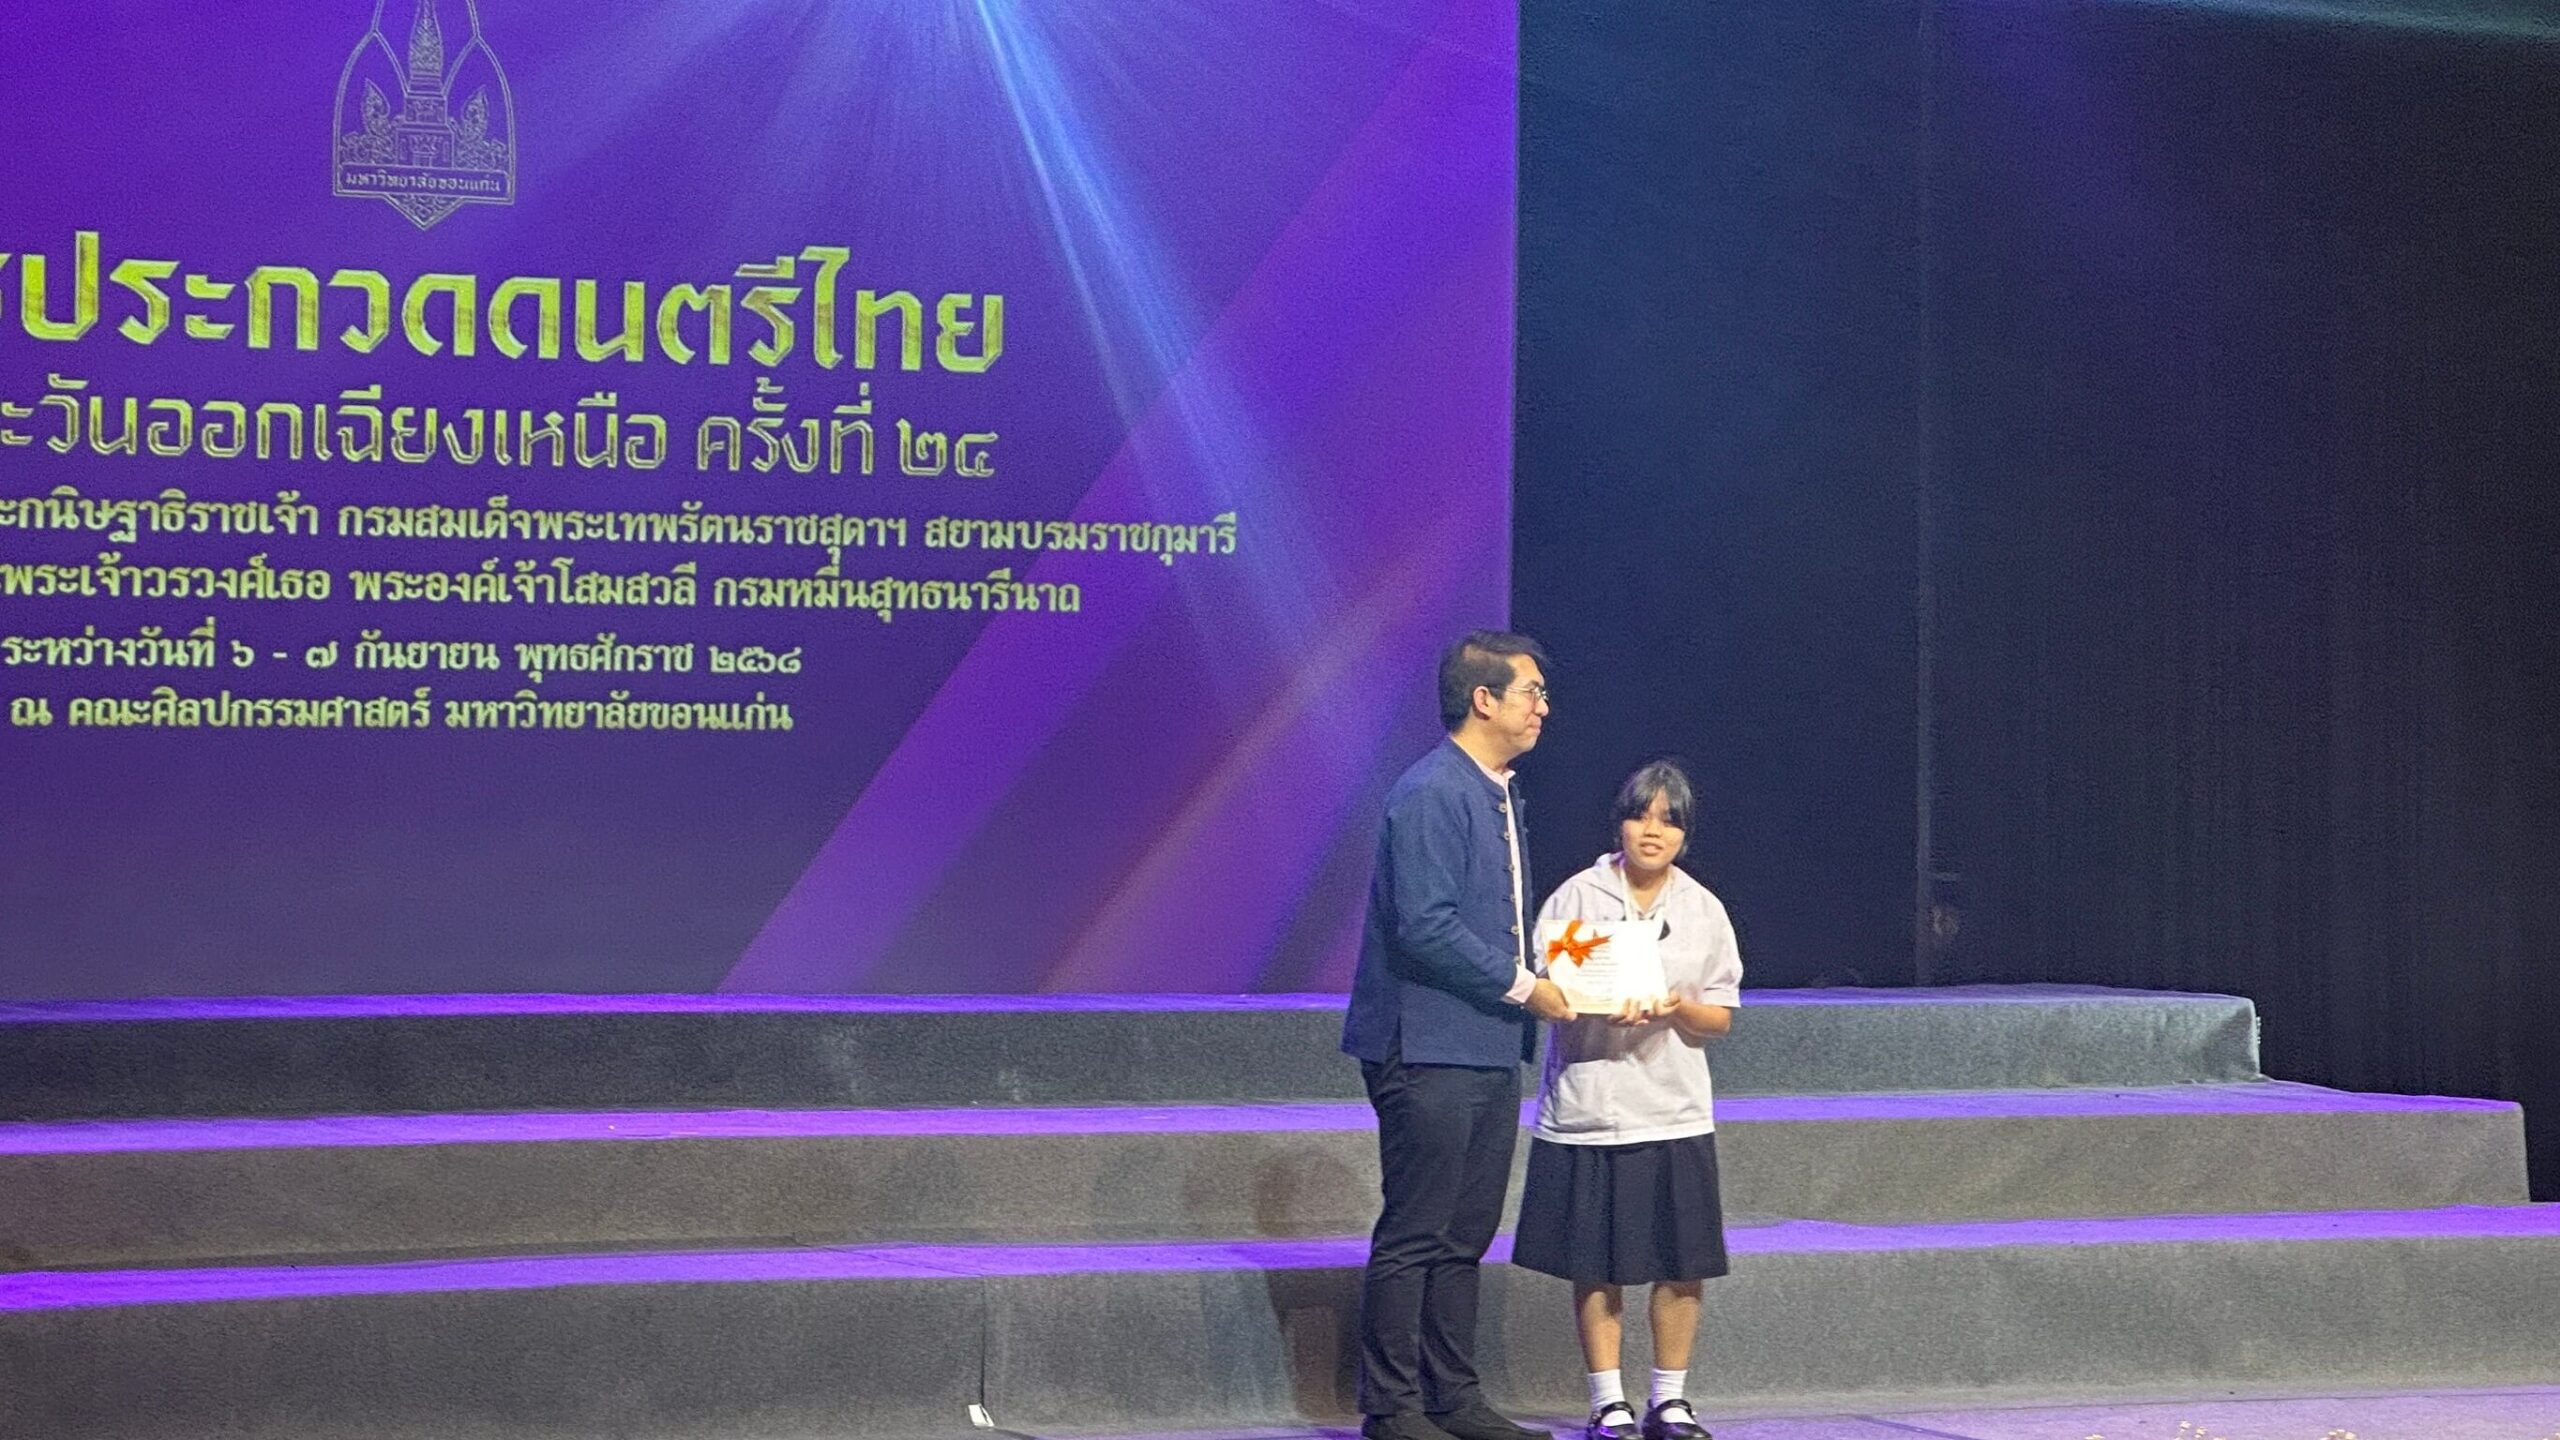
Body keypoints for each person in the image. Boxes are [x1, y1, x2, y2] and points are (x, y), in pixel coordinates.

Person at [1342, 631, 1577, 1440]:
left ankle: (1453, 1397)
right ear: (1484, 699)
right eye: (1531, 693)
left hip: (1484, 1044)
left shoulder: (1498, 791)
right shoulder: (1432, 790)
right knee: (1417, 1229)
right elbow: (1427, 927)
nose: (1543, 708)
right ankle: (1393, 1407)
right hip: (1426, 1046)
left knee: (1465, 1232)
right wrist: (1528, 987)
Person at [1512, 760, 1741, 1440]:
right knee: (1596, 1263)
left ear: (1685, 834)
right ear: (1620, 823)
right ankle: (1608, 1403)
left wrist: (1676, 1008)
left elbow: (1720, 1016)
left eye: (1669, 821)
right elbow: (1545, 992)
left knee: (1682, 1263)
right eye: (1641, 815)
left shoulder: (1703, 908)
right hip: (1592, 1108)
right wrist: (1586, 1002)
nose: (1652, 831)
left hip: (1672, 1107)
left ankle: (1669, 1401)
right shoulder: (1575, 897)